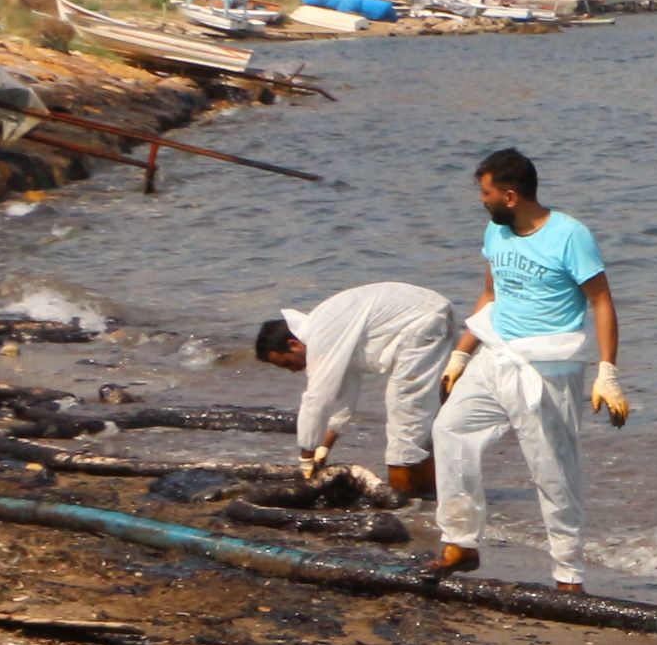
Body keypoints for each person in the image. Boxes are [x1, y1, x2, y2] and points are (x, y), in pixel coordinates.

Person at [427, 148, 630, 589]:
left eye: (486, 193)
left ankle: (568, 575)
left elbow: (601, 301)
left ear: (511, 195)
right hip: (496, 355)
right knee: (450, 430)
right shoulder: (496, 232)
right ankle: (460, 542)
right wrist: (461, 354)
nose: (481, 200)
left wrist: (606, 371)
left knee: (554, 471)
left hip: (547, 369)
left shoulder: (570, 235)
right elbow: (490, 294)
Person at [254, 283, 456, 498]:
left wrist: (306, 458)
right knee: (420, 417)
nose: (294, 370)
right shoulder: (331, 330)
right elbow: (340, 399)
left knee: (406, 416)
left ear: (294, 345)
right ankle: (427, 495)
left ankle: (405, 499)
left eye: (287, 363)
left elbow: (317, 399)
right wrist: (322, 450)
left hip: (423, 323)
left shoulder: (321, 334)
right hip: (431, 315)